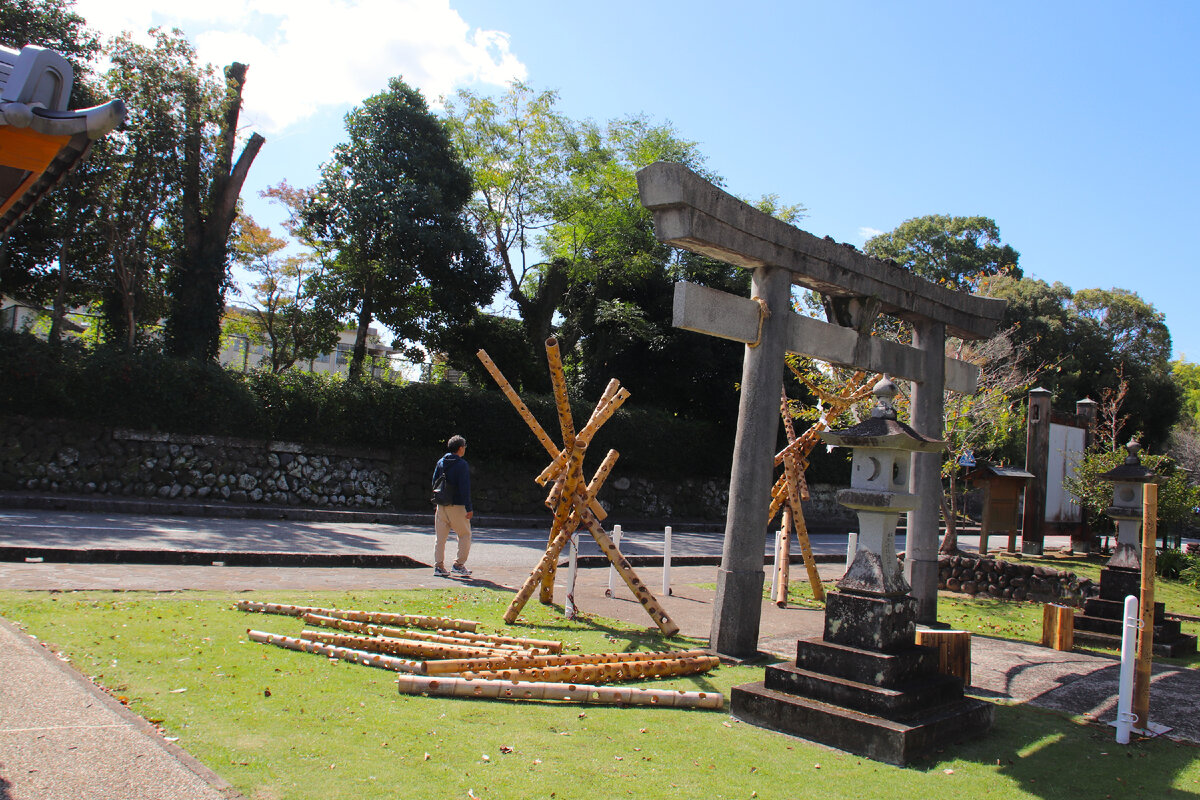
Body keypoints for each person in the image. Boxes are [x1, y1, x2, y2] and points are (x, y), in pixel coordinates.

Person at [432, 434, 472, 577]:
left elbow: (434, 482)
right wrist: (469, 507)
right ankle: (458, 565)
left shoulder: (441, 462)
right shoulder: (462, 465)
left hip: (442, 505)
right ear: (461, 448)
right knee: (464, 535)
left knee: (440, 538)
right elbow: (464, 487)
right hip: (458, 505)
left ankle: (438, 566)